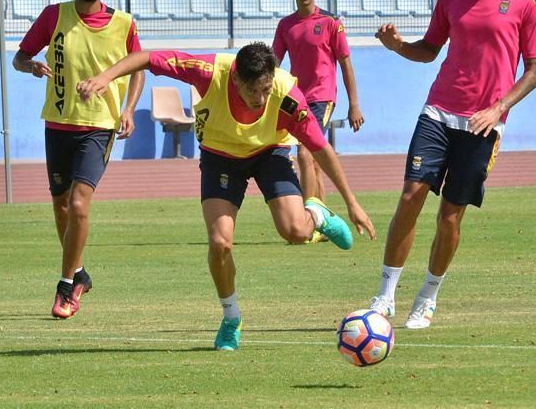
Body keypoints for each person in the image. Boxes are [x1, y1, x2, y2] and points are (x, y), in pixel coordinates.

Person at [77, 42, 376, 350]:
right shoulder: (209, 72)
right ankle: (231, 318)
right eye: (253, 91)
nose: (260, 99)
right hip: (220, 156)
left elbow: (320, 149)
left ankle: (317, 214)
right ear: (235, 79)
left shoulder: (287, 97)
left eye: (266, 89)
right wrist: (105, 77)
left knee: (296, 231)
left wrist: (352, 203)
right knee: (220, 243)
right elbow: (146, 57)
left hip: (269, 151)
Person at [368, 0, 536, 329]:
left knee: (450, 214)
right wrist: (397, 47)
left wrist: (499, 107)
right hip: (438, 110)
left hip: (484, 124)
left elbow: (535, 71)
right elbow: (429, 49)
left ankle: (427, 296)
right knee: (411, 195)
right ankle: (385, 294)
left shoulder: (525, 4)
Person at [12, 0, 145, 320]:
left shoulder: (124, 23)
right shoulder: (54, 16)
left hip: (98, 127)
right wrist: (32, 66)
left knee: (78, 204)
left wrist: (129, 109)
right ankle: (81, 273)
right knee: (60, 206)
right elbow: (19, 57)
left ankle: (66, 286)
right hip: (57, 123)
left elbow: (139, 67)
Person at [273, 0, 364, 243]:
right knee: (311, 163)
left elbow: (346, 65)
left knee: (304, 154)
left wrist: (354, 104)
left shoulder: (330, 23)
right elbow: (275, 64)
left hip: (323, 98)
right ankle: (325, 222)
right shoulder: (286, 25)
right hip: (297, 99)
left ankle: (307, 221)